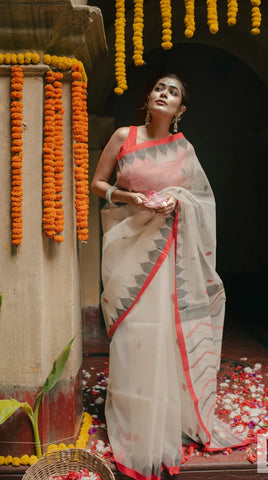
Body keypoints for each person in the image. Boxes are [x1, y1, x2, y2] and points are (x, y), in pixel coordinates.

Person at [91, 74, 249, 480]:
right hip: (129, 250)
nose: (164, 93)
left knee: (164, 336)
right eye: (160, 88)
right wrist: (132, 198)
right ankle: (133, 423)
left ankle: (165, 419)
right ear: (149, 98)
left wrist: (176, 201)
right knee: (132, 337)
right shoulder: (124, 136)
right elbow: (98, 183)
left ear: (180, 111)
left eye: (173, 92)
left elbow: (202, 200)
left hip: (172, 258)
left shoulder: (184, 148)